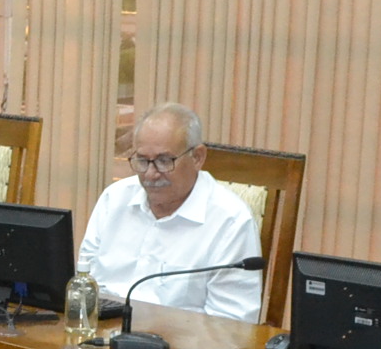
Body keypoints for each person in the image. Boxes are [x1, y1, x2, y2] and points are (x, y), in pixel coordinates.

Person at [78, 102, 261, 323]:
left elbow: (232, 323)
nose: (151, 174)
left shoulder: (230, 221)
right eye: (142, 160)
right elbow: (84, 281)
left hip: (180, 342)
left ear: (197, 157)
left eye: (164, 161)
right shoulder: (115, 199)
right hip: (102, 334)